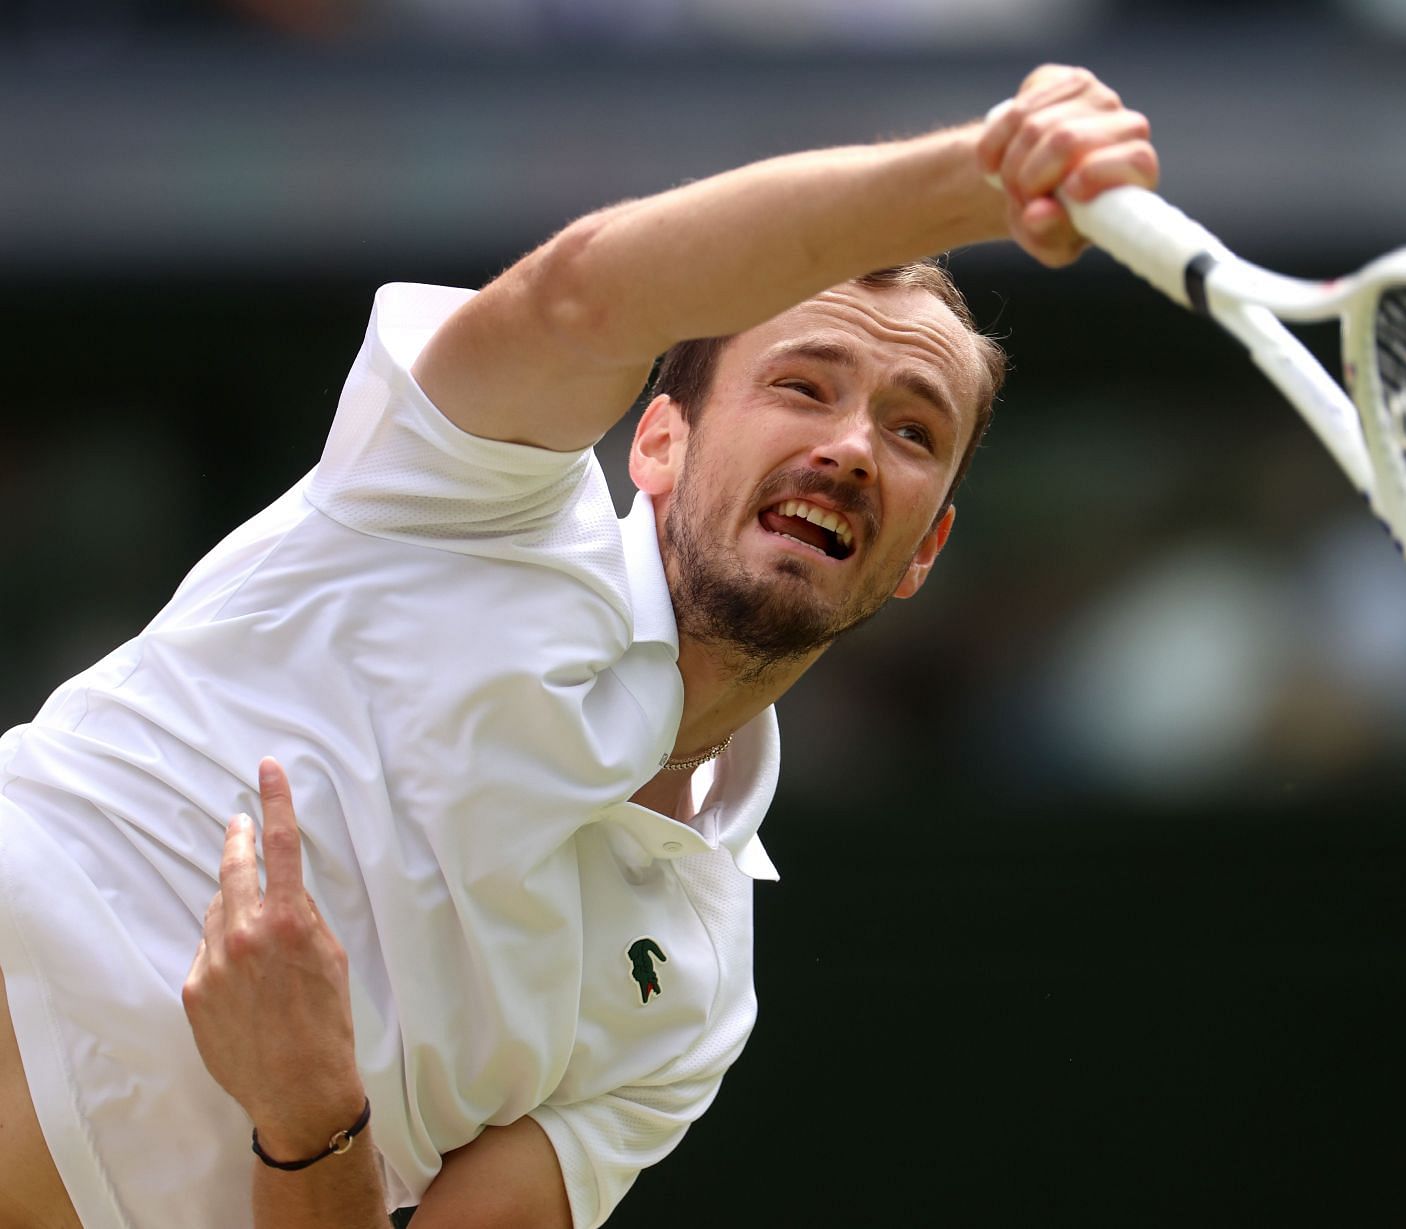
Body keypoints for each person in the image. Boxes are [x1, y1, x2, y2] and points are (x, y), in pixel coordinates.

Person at [0, 64, 1158, 1229]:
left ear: (923, 551)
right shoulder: (464, 500)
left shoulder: (691, 1005)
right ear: (655, 440)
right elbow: (581, 295)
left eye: (913, 429)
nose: (854, 447)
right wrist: (977, 178)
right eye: (804, 384)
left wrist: (309, 1111)